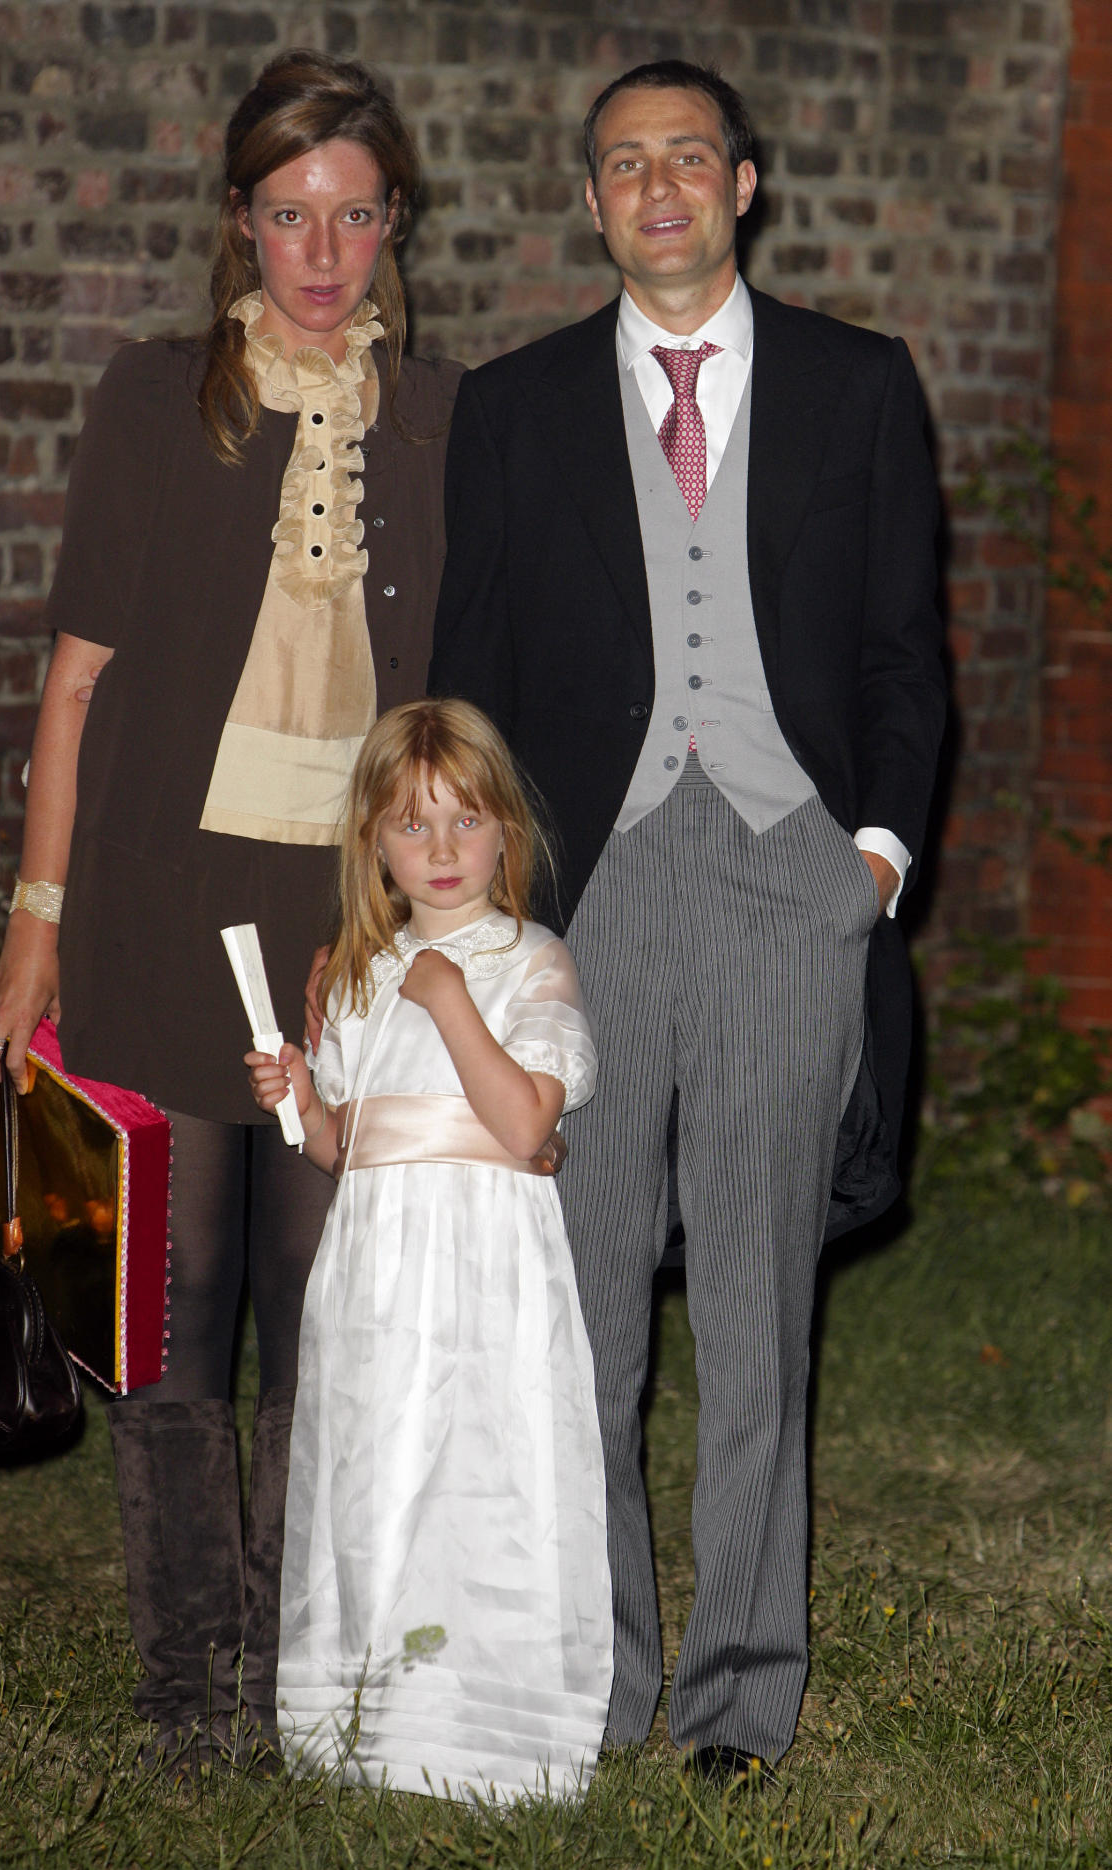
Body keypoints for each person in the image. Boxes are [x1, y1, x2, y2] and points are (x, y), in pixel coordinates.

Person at [429, 60, 948, 1775]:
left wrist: (869, 862)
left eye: (684, 159)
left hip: (792, 874)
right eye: (620, 164)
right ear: (591, 203)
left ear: (742, 185)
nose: (654, 186)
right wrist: (493, 919)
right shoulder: (508, 411)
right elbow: (467, 683)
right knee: (576, 1313)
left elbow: (898, 651)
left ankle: (736, 1697)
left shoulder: (859, 386)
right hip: (594, 885)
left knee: (752, 1311)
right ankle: (591, 1676)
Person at [0, 50, 462, 1769]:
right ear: (237, 219)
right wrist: (37, 927)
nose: (317, 252)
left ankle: (300, 1675)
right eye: (284, 214)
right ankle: (192, 1694)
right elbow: (78, 686)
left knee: (327, 1327)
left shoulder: (440, 419)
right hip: (160, 908)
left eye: (349, 214)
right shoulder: (152, 393)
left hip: (344, 929)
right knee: (168, 1342)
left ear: (393, 221)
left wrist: (412, 924)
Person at [246, 698, 613, 1802]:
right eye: (413, 826)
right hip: (375, 1275)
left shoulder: (531, 960)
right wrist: (305, 1100)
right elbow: (344, 1148)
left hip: (490, 1271)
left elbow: (524, 1125)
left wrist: (453, 1000)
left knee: (487, 1473)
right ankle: (368, 1717)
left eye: (465, 821)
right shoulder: (355, 972)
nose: (443, 850)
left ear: (508, 831)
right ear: (375, 845)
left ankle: (501, 1735)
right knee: (378, 1467)